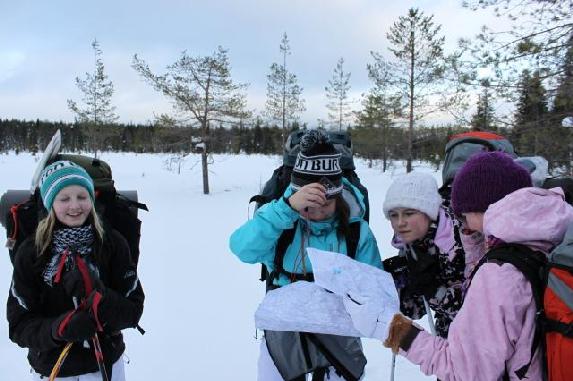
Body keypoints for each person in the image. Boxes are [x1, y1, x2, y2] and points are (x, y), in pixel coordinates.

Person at [346, 151, 573, 381]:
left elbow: (463, 373)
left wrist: (391, 329)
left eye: (462, 214)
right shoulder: (548, 238)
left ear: (480, 207)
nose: (461, 223)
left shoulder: (498, 274)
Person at [230, 129, 382, 381]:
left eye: (326, 204)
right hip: (284, 327)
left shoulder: (356, 231)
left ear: (339, 199)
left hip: (339, 328)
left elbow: (372, 284)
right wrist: (286, 209)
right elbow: (242, 248)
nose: (317, 212)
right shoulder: (281, 221)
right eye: (308, 204)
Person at [7, 161, 145, 380]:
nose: (75, 206)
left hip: (105, 367)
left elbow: (133, 311)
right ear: (50, 202)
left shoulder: (111, 243)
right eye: (64, 199)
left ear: (91, 198)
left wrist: (101, 297)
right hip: (53, 369)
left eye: (82, 197)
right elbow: (19, 326)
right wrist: (59, 328)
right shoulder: (32, 252)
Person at [382, 172, 465, 338]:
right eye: (393, 215)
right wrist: (397, 288)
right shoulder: (414, 242)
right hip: (448, 334)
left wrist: (433, 288)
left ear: (429, 213)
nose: (400, 223)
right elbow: (416, 308)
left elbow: (471, 315)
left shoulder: (460, 241)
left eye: (409, 213)